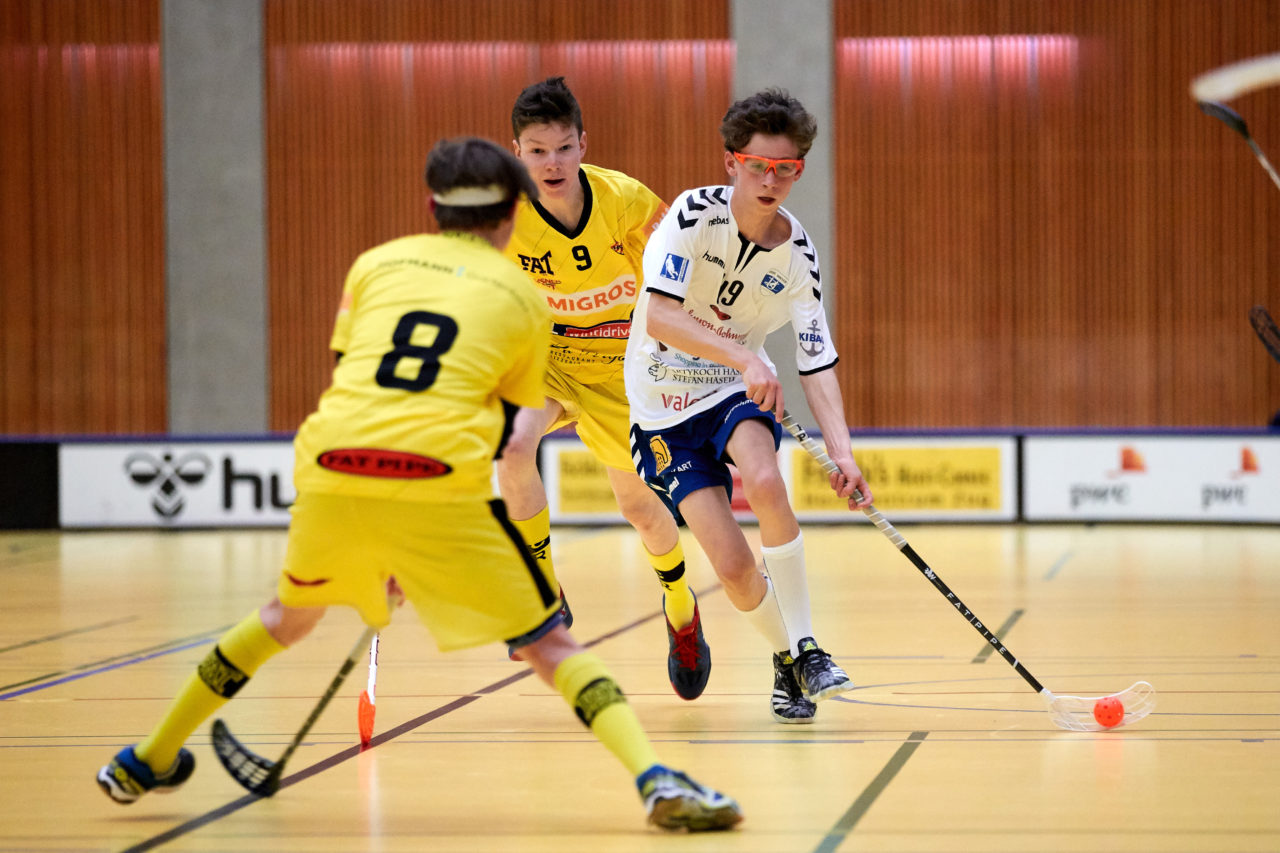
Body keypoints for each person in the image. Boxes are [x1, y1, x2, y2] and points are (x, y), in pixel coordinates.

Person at [95, 137, 742, 832]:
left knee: (285, 616)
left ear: (433, 206)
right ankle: (653, 779)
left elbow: (355, 375)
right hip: (434, 481)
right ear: (508, 219)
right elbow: (498, 425)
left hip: (331, 467)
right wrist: (424, 535)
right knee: (549, 645)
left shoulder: (373, 265)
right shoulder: (524, 300)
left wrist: (385, 542)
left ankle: (144, 757)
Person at [624, 89, 874, 724]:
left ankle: (809, 648)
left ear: (799, 171)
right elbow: (658, 314)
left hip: (733, 391)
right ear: (731, 162)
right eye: (758, 165)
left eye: (785, 169)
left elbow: (816, 360)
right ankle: (787, 661)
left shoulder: (799, 257)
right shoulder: (691, 216)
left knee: (765, 478)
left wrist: (842, 452)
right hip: (660, 408)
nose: (771, 180)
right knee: (734, 567)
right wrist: (746, 357)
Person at [499, 77, 711, 701]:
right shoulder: (505, 219)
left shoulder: (627, 204)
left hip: (624, 370)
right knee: (512, 445)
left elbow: (684, 279)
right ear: (517, 151)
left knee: (641, 510)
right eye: (537, 151)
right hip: (551, 363)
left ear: (583, 144)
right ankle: (543, 596)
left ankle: (680, 605)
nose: (552, 163)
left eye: (563, 147)